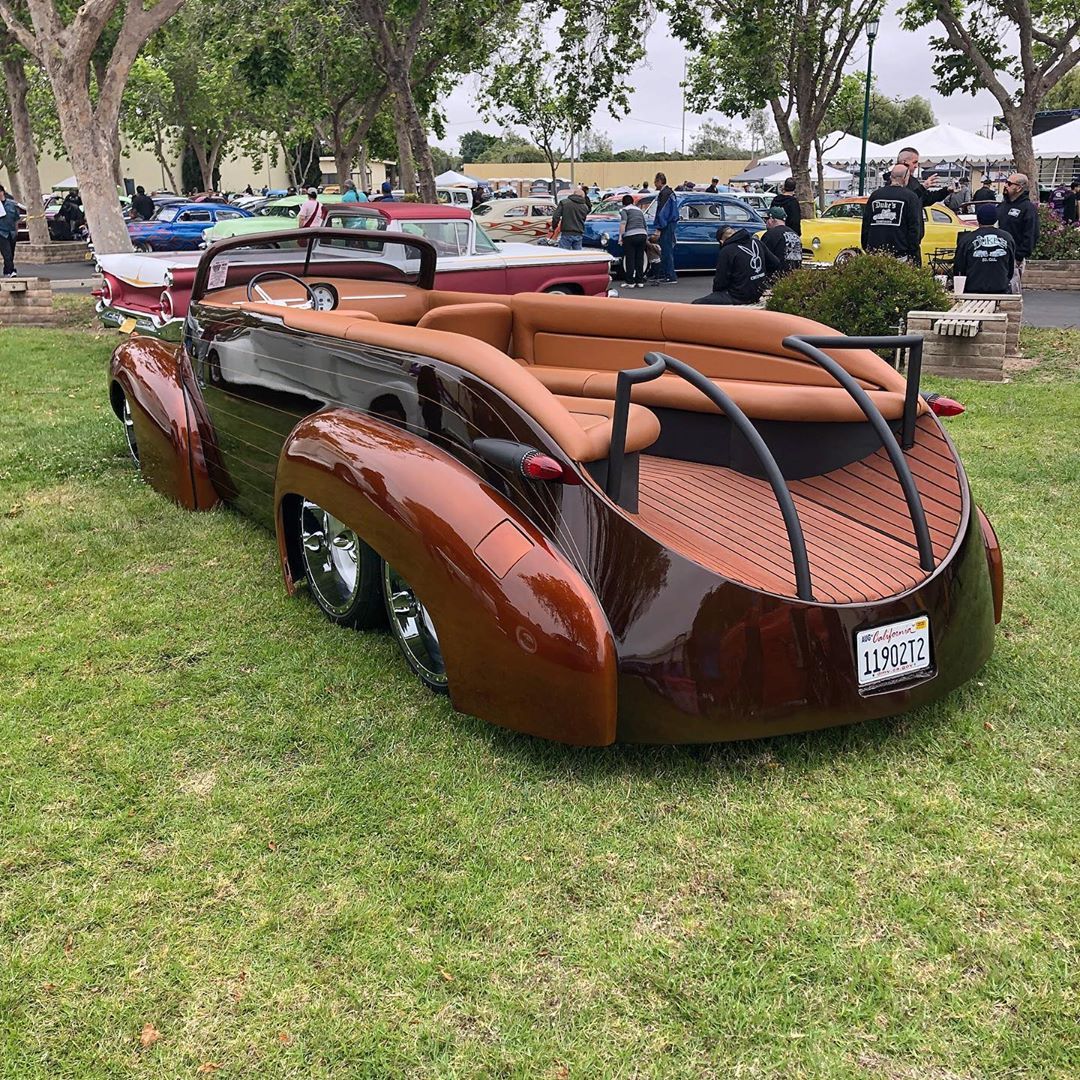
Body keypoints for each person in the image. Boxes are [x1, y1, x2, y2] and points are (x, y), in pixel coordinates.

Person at [692, 225, 780, 305]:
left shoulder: (727, 250)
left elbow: (720, 281)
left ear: (721, 241)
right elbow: (775, 263)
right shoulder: (756, 242)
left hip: (738, 296)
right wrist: (761, 279)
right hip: (759, 291)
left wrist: (718, 293)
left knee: (697, 304)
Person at [861, 164, 925, 263]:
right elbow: (914, 228)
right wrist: (913, 252)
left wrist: (866, 247)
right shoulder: (910, 197)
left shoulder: (875, 195)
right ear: (905, 177)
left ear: (891, 177)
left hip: (875, 252)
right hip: (900, 253)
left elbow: (866, 223)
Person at [952, 202, 1015, 294]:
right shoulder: (1007, 238)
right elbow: (1010, 267)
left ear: (978, 218)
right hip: (1000, 288)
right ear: (996, 219)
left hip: (972, 289)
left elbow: (959, 267)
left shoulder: (966, 240)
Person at [997, 172, 1039, 292]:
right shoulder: (1003, 206)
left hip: (1014, 257)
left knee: (1012, 291)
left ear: (1019, 188)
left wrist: (1019, 255)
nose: (1005, 185)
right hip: (997, 254)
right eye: (1006, 182)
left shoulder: (1027, 208)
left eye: (1009, 183)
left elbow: (1031, 234)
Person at [650, 172, 678, 283]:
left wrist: (659, 227)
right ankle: (665, 274)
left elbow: (662, 212)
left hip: (667, 224)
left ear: (659, 181)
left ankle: (670, 275)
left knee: (666, 250)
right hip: (671, 224)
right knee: (666, 250)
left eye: (656, 181)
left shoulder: (664, 194)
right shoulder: (671, 193)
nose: (655, 184)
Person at [760, 206, 803, 277]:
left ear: (771, 219)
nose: (766, 223)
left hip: (775, 278)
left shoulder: (770, 235)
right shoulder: (795, 235)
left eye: (766, 220)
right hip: (794, 278)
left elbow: (762, 258)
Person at [618, 193, 649, 287]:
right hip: (642, 234)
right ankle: (640, 281)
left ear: (623, 203)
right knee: (639, 258)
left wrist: (620, 237)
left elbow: (623, 223)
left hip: (630, 235)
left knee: (630, 258)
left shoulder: (624, 210)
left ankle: (630, 282)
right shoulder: (639, 210)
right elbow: (644, 224)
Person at [549, 184, 591, 250]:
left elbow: (556, 216)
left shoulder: (564, 203)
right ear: (583, 197)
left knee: (563, 254)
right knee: (577, 256)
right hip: (579, 233)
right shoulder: (585, 207)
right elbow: (583, 218)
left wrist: (554, 227)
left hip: (566, 233)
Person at [0, 184, 18, 277]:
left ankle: (7, 270)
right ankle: (11, 271)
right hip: (2, 233)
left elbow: (16, 218)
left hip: (11, 232)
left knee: (11, 253)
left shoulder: (11, 204)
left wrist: (16, 231)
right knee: (7, 254)